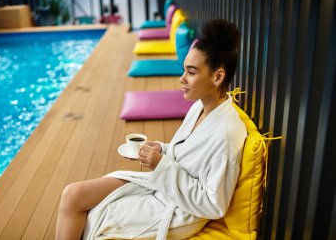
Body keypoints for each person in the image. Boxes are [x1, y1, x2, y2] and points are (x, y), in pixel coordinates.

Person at [55, 19, 247, 240]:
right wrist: (162, 149)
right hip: (163, 185)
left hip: (179, 211)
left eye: (191, 72)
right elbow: (185, 153)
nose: (181, 79)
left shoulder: (227, 134)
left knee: (95, 218)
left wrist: (160, 165)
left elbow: (213, 205)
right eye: (184, 70)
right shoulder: (199, 108)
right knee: (72, 194)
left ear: (218, 76)